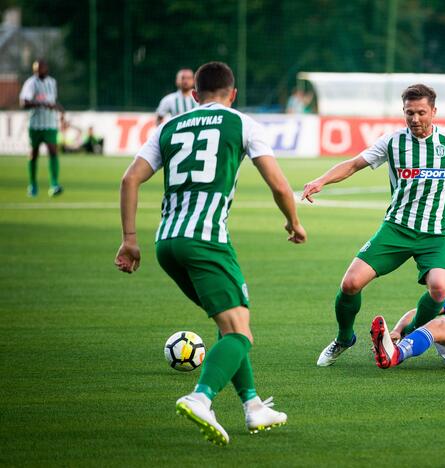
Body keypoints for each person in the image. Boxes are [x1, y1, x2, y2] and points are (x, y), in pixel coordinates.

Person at [115, 61, 307, 445]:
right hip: (206, 241)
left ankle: (254, 407)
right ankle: (200, 398)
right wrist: (293, 222)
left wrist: (129, 238)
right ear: (232, 95)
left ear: (193, 95)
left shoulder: (168, 127)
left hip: (166, 244)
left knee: (229, 325)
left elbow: (130, 178)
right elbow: (280, 185)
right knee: (241, 334)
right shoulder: (241, 123)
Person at [302, 83, 445, 367]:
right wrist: (321, 180)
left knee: (440, 287)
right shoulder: (392, 142)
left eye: (422, 112)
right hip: (396, 228)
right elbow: (354, 164)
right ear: (403, 112)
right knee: (350, 284)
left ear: (434, 111)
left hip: (437, 233)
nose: (416, 119)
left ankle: (406, 337)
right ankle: (344, 338)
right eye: (410, 113)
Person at [19, 59, 64, 197]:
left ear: (46, 68)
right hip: (36, 124)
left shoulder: (52, 82)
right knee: (34, 153)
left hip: (50, 124)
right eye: (37, 68)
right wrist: (41, 104)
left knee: (53, 151)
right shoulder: (31, 83)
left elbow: (53, 101)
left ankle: (54, 184)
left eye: (41, 68)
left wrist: (60, 110)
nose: (39, 70)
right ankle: (32, 185)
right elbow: (23, 103)